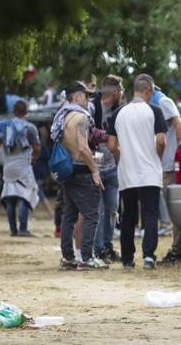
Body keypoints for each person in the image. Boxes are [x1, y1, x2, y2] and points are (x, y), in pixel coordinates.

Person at [107, 74, 168, 270]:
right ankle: (149, 256)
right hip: (149, 172)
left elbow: (111, 145)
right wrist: (157, 156)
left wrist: (120, 157)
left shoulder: (119, 113)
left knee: (128, 215)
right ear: (148, 90)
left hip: (128, 172)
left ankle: (127, 259)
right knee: (150, 213)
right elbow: (161, 141)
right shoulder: (154, 111)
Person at [51, 81, 108, 270]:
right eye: (86, 95)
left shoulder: (64, 116)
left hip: (68, 171)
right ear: (76, 97)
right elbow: (83, 148)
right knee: (92, 214)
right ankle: (86, 258)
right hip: (83, 171)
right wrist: (95, 171)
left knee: (69, 216)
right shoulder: (82, 118)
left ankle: (68, 258)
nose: (88, 99)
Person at [152, 86, 181, 264]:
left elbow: (179, 127)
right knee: (178, 209)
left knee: (174, 210)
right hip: (168, 164)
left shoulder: (162, 101)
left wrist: (179, 154)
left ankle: (178, 250)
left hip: (169, 166)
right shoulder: (160, 101)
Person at [0, 100, 40, 237]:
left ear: (14, 112)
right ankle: (23, 229)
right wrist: (34, 158)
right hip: (23, 167)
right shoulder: (30, 128)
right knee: (25, 196)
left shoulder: (5, 126)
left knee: (10, 197)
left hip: (8, 166)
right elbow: (37, 148)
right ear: (26, 113)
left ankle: (13, 230)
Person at [91, 75, 124, 263]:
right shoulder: (93, 108)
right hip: (96, 165)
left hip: (112, 166)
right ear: (113, 92)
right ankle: (97, 248)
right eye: (120, 90)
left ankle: (108, 246)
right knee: (98, 210)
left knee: (112, 209)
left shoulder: (119, 110)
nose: (122, 94)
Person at [33, 125, 53, 220]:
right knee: (37, 194)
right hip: (41, 173)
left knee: (38, 194)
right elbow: (48, 160)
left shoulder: (35, 145)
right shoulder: (43, 145)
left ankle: (50, 214)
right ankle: (50, 214)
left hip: (36, 173)